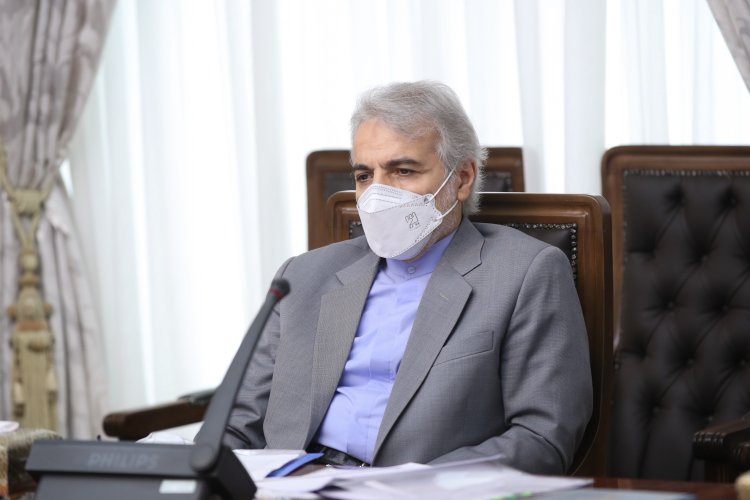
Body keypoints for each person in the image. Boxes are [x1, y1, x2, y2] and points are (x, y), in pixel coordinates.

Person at [217, 80, 592, 474]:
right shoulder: (303, 275)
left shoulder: (526, 272)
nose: (377, 194)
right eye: (364, 175)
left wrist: (413, 487)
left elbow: (542, 438)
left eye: (403, 170)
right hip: (288, 484)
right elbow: (237, 426)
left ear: (462, 178)